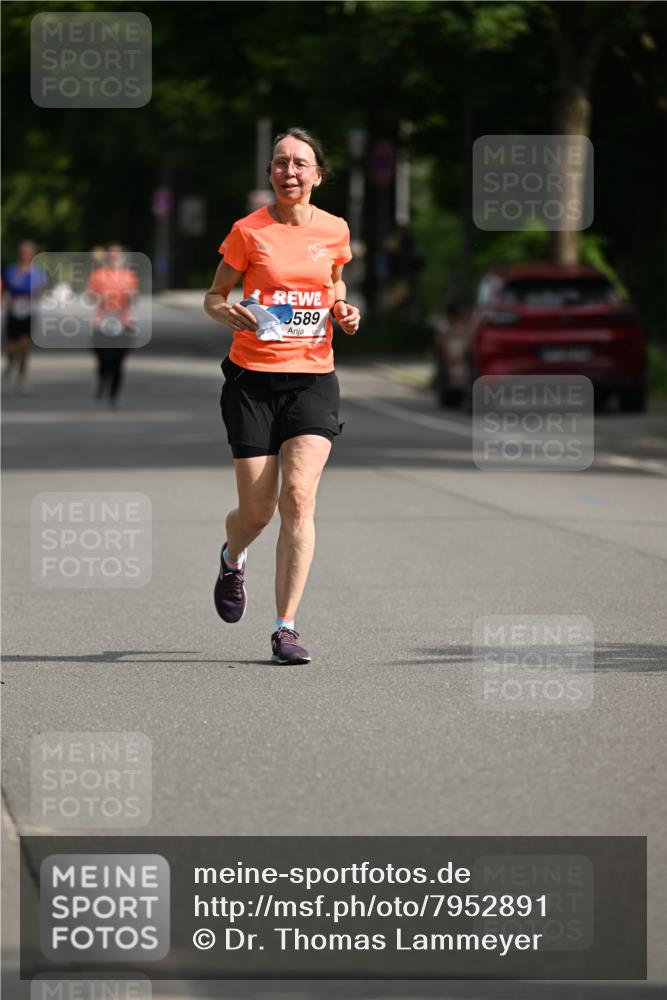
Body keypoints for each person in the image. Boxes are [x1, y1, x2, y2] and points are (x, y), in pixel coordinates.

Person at [204, 127, 361, 664]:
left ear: (318, 175)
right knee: (257, 512)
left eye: (299, 164)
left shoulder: (336, 230)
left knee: (298, 499)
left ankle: (285, 628)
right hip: (252, 381)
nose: (288, 172)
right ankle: (232, 556)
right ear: (271, 172)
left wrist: (343, 308)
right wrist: (228, 312)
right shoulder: (249, 231)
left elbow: (334, 281)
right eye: (279, 163)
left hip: (314, 379)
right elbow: (214, 295)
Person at [88, 243, 138, 408]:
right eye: (111, 255)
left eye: (117, 255)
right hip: (102, 321)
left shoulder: (128, 275)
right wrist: (99, 297)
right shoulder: (99, 275)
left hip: (122, 321)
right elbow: (91, 296)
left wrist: (131, 295)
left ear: (122, 257)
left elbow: (133, 298)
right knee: (103, 359)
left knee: (118, 361)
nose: (114, 258)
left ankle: (113, 396)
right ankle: (103, 378)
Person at [2, 240, 47, 393]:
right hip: (13, 311)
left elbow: (42, 290)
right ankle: (10, 363)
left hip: (29, 311)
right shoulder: (10, 271)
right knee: (11, 346)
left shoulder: (37, 273)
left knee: (25, 347)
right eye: (23, 252)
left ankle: (22, 379)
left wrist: (39, 296)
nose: (25, 255)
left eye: (28, 252)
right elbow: (3, 289)